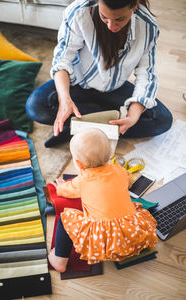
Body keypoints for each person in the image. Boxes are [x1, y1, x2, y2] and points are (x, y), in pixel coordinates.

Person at [26, 0, 173, 147]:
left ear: (135, 4)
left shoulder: (148, 26)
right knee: (35, 107)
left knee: (162, 120)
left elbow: (147, 74)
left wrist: (133, 116)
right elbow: (62, 61)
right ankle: (104, 125)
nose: (111, 26)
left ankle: (77, 128)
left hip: (115, 87)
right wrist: (65, 100)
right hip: (78, 82)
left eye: (119, 19)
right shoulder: (79, 12)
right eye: (104, 17)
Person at [48, 128, 157, 272]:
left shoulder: (82, 180)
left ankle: (59, 260)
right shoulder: (120, 170)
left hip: (102, 243)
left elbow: (64, 191)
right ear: (110, 155)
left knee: (64, 219)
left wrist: (60, 187)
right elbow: (129, 181)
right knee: (135, 207)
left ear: (79, 164)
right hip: (132, 235)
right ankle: (133, 245)